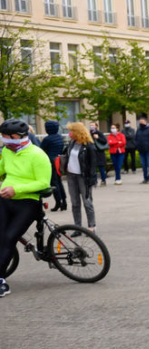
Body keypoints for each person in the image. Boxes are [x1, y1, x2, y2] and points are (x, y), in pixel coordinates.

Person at [0, 119, 53, 298]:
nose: (4, 141)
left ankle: (1, 282)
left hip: (27, 203)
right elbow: (1, 169)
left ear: (19, 136)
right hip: (5, 200)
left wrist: (17, 189)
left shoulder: (37, 155)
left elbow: (43, 182)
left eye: (7, 137)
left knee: (9, 238)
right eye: (3, 137)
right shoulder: (7, 152)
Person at [63, 123, 98, 229]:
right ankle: (77, 227)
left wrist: (92, 179)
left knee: (87, 203)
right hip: (71, 176)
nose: (69, 134)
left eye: (71, 131)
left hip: (83, 177)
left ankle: (91, 226)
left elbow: (92, 164)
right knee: (75, 203)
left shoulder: (89, 146)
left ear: (77, 132)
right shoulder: (72, 143)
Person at [40, 120, 67, 211]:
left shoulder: (48, 139)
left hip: (51, 162)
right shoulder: (59, 137)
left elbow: (40, 149)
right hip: (59, 161)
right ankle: (64, 201)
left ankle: (58, 202)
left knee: (54, 183)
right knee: (59, 182)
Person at [136, 116, 149, 184]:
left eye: (142, 122)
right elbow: (136, 139)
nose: (141, 123)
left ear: (146, 122)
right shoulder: (138, 130)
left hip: (148, 150)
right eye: (140, 122)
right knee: (143, 165)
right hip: (141, 150)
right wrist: (137, 146)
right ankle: (145, 178)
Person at [89, 122, 109, 187]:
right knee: (93, 168)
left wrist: (98, 138)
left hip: (99, 152)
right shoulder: (89, 133)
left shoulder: (99, 133)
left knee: (101, 167)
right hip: (92, 152)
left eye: (92, 125)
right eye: (90, 125)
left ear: (96, 126)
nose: (91, 126)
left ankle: (103, 180)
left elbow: (104, 141)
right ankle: (94, 181)